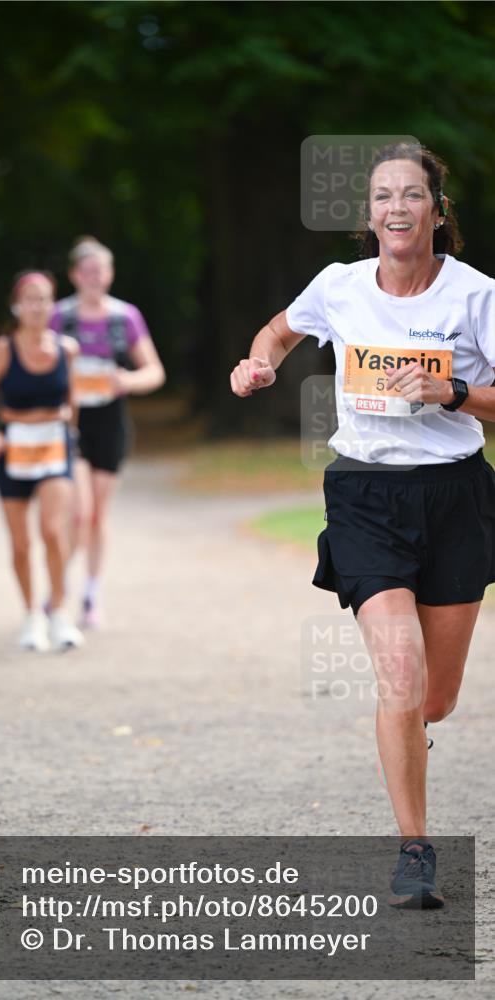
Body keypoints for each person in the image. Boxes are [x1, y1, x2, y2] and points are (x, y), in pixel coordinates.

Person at [231, 143, 495, 908]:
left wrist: (449, 391)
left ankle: (410, 736)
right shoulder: (339, 287)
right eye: (383, 197)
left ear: (436, 213)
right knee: (400, 679)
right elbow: (278, 331)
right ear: (369, 215)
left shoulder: (475, 295)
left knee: (431, 701)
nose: (397, 209)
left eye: (412, 195)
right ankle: (414, 850)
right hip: (363, 495)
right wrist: (259, 363)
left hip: (452, 496)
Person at [0, 271, 84, 653]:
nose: (37, 306)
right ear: (17, 306)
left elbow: (73, 400)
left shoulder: (67, 349)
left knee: (53, 530)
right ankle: (31, 614)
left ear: (53, 305)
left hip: (53, 447)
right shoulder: (3, 350)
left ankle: (59, 612)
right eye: (30, 299)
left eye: (44, 298)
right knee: (20, 543)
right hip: (13, 451)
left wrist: (71, 434)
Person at [51, 236, 165, 627]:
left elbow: (154, 371)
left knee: (98, 515)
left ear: (110, 274)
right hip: (70, 423)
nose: (94, 278)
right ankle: (58, 588)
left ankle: (91, 593)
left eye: (100, 270)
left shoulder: (125, 317)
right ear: (73, 276)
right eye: (86, 271)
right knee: (79, 514)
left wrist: (125, 381)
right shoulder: (58, 317)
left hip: (111, 420)